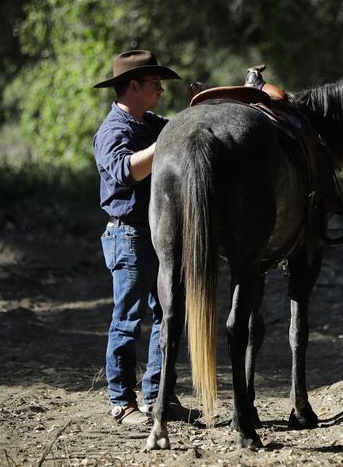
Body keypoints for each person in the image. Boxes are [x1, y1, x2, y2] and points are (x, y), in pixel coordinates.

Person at [93, 49, 199, 426]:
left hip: (157, 234)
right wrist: (164, 146)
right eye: (155, 84)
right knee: (128, 319)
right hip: (129, 235)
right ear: (133, 86)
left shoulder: (152, 123)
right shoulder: (113, 130)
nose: (160, 90)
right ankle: (122, 403)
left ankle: (158, 397)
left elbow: (180, 135)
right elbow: (124, 172)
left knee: (166, 314)